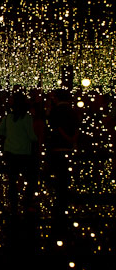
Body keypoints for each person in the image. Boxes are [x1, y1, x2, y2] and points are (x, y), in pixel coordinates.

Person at [0, 91, 38, 216]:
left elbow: (0, 131)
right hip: (24, 152)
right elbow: (32, 136)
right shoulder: (27, 118)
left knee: (12, 179)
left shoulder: (8, 118)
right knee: (30, 178)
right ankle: (27, 200)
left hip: (10, 152)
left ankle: (13, 202)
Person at [46, 88, 79, 219]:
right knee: (65, 174)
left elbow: (56, 126)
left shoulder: (56, 111)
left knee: (58, 174)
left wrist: (65, 137)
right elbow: (76, 127)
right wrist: (73, 140)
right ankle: (64, 197)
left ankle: (59, 200)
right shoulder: (72, 110)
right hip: (68, 147)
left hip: (57, 146)